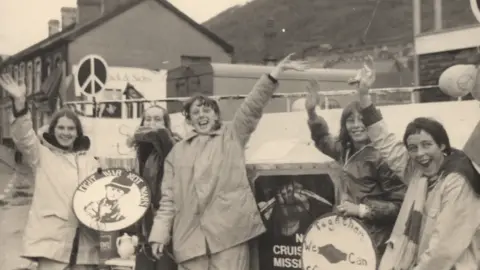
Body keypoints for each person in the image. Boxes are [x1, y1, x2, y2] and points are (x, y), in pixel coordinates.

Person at [148, 53, 308, 270]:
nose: (201, 115)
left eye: (207, 110)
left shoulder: (232, 136)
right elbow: (168, 200)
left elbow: (252, 106)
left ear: (216, 115)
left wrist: (273, 75)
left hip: (229, 238)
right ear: (189, 119)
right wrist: (159, 234)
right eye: (196, 112)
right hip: (189, 243)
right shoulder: (176, 153)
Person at [354, 57, 480, 270]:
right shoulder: (419, 174)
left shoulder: (458, 181)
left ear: (442, 146)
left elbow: (443, 250)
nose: (420, 153)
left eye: (426, 145)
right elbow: (386, 143)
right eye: (413, 148)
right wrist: (364, 96)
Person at [0, 74, 101, 270]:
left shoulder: (89, 161)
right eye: (61, 128)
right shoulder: (42, 155)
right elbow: (24, 137)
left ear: (78, 133)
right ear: (52, 130)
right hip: (52, 239)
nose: (66, 133)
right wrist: (20, 104)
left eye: (71, 129)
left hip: (85, 243)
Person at [304, 77, 406, 257]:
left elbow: (400, 206)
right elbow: (322, 139)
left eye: (362, 120)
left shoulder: (382, 157)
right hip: (349, 236)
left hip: (377, 241)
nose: (357, 126)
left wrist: (360, 210)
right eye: (351, 120)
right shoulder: (344, 150)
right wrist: (312, 112)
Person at [127, 105, 180, 270]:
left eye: (158, 119)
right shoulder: (141, 150)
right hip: (144, 224)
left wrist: (138, 134)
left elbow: (162, 136)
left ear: (166, 123)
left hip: (166, 224)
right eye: (148, 119)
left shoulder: (171, 145)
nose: (152, 123)